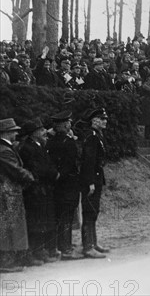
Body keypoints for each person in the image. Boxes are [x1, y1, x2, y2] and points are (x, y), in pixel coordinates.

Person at [18, 117, 60, 265]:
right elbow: (38, 169)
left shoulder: (39, 145)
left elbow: (48, 164)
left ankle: (41, 251)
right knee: (36, 221)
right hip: (35, 190)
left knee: (43, 220)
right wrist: (53, 174)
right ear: (33, 133)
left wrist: (53, 172)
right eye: (41, 130)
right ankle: (36, 252)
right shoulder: (27, 148)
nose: (44, 132)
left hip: (43, 189)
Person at [46, 111, 83, 260]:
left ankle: (57, 247)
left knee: (57, 217)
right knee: (66, 216)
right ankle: (66, 248)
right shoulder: (69, 143)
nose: (70, 124)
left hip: (55, 185)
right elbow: (71, 164)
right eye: (68, 122)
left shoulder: (49, 142)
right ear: (65, 125)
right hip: (68, 185)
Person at [0, 118, 34, 273]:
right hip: (8, 193)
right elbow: (15, 170)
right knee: (8, 227)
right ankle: (6, 262)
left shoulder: (6, 148)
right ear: (6, 133)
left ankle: (9, 260)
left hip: (8, 192)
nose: (16, 133)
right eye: (14, 130)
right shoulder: (4, 150)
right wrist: (29, 176)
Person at [80, 108, 110, 259]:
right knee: (89, 212)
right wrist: (90, 182)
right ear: (94, 120)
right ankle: (88, 246)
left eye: (105, 119)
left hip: (96, 178)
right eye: (102, 119)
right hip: (91, 180)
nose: (105, 121)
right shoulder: (91, 137)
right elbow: (88, 161)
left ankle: (93, 242)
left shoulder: (97, 135)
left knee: (94, 211)